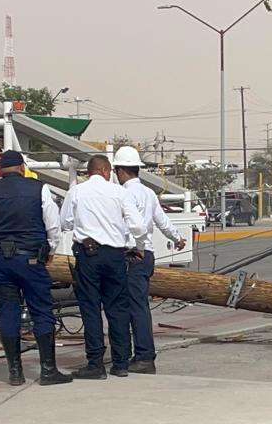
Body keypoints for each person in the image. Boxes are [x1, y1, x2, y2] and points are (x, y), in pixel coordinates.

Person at [0, 150, 71, 387]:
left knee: (9, 312)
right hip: (30, 259)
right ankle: (48, 370)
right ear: (21, 167)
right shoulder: (38, 188)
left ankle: (15, 372)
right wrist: (50, 251)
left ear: (0, 170)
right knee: (41, 310)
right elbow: (53, 225)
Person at [60, 154, 147, 379]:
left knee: (90, 309)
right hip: (115, 256)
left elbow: (65, 222)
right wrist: (139, 247)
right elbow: (138, 226)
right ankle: (120, 363)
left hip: (87, 255)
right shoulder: (120, 193)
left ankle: (95, 364)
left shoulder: (77, 191)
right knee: (117, 308)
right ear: (107, 171)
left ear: (89, 172)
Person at [112, 146, 186, 375]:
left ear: (120, 170)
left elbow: (125, 227)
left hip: (133, 254)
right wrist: (178, 238)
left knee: (132, 308)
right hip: (147, 257)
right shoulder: (148, 193)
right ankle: (140, 355)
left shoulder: (123, 193)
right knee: (139, 306)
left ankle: (143, 356)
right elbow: (162, 221)